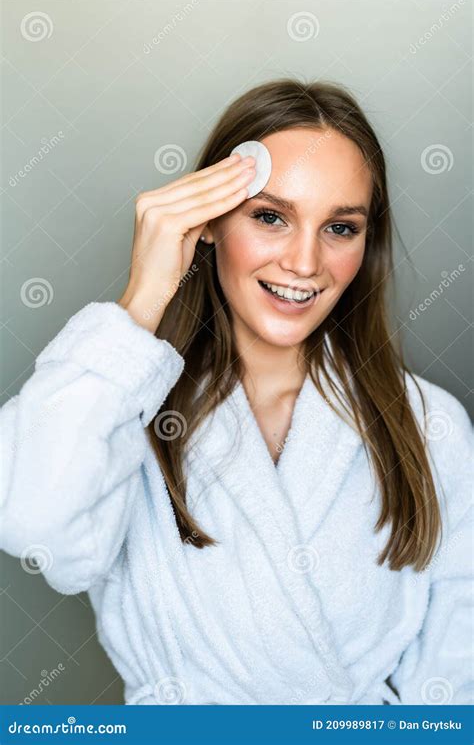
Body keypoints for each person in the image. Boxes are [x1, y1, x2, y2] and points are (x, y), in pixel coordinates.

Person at [0, 79, 472, 706]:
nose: (305, 262)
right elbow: (35, 524)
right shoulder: (122, 409)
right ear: (211, 221)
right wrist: (142, 302)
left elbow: (456, 667)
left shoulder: (428, 422)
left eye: (340, 227)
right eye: (270, 217)